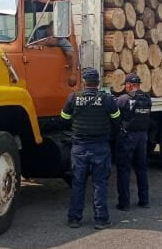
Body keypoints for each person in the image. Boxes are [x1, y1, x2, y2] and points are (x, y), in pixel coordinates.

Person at [60, 68, 121, 229]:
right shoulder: (107, 99)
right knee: (99, 184)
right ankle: (101, 220)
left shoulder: (74, 97)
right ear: (98, 83)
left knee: (78, 183)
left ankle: (74, 219)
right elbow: (117, 119)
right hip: (100, 146)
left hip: (79, 147)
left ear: (84, 82)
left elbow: (64, 117)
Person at [115, 73, 152, 211]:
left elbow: (114, 113)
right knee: (141, 169)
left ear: (130, 84)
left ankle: (124, 203)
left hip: (127, 137)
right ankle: (144, 200)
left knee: (124, 169)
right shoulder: (147, 98)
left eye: (125, 85)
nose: (125, 87)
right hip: (142, 137)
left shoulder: (124, 99)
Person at [30, 21, 77, 86]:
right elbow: (29, 44)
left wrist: (73, 75)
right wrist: (45, 43)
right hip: (35, 68)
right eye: (52, 30)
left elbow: (72, 55)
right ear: (48, 28)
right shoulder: (39, 32)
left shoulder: (60, 39)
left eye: (56, 32)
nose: (53, 35)